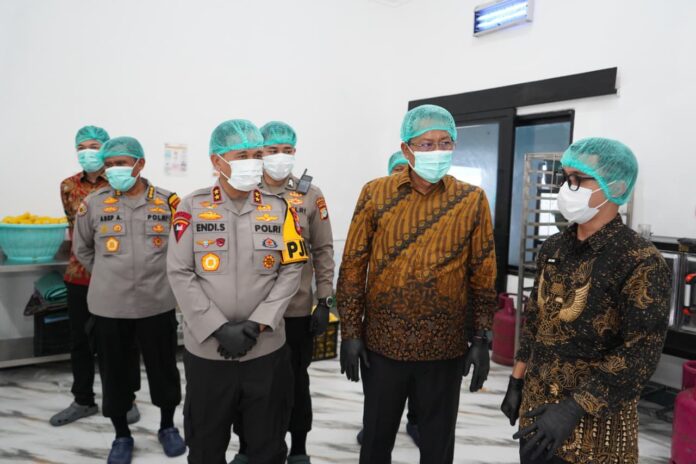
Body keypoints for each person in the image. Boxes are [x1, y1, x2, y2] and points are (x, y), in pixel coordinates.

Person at [337, 104, 498, 464]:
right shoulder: (375, 193)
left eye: (445, 143)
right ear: (406, 149)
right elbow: (353, 265)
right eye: (426, 144)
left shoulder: (471, 199)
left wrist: (481, 338)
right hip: (383, 345)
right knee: (375, 440)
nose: (436, 151)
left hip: (444, 348)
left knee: (437, 445)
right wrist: (350, 332)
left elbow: (483, 272)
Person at [502, 137, 672, 464]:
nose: (568, 188)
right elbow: (536, 318)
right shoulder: (553, 248)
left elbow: (640, 353)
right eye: (566, 178)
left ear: (615, 186)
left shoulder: (640, 260)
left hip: (594, 432)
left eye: (578, 179)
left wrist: (573, 408)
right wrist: (517, 379)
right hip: (537, 416)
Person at [167, 119, 308, 464]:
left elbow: (292, 268)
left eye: (257, 155)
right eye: (242, 155)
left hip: (265, 351)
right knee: (205, 446)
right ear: (217, 161)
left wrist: (258, 323)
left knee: (267, 446)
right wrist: (218, 327)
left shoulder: (280, 208)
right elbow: (180, 271)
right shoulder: (191, 207)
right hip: (209, 353)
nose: (253, 163)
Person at [73, 136, 185, 464]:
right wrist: (111, 276)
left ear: (140, 164)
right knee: (114, 375)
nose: (113, 170)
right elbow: (82, 249)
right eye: (109, 165)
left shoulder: (168, 202)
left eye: (121, 163)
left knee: (164, 371)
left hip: (157, 303)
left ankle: (167, 427)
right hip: (110, 307)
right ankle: (121, 435)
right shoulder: (93, 203)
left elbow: (182, 249)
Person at [229, 121, 335, 464]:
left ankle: (298, 447)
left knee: (295, 382)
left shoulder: (310, 195)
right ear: (260, 153)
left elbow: (323, 249)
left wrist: (325, 300)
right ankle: (247, 446)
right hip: (252, 311)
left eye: (287, 150)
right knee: (249, 383)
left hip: (295, 310)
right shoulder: (243, 190)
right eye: (272, 150)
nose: (279, 157)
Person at [52, 126, 140, 427]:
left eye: (94, 146)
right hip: (79, 275)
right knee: (80, 342)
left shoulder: (121, 182)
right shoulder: (68, 186)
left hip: (116, 278)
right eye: (81, 147)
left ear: (105, 148)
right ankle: (83, 399)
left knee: (120, 342)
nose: (87, 152)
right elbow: (75, 228)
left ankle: (126, 399)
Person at [355, 149, 420, 448]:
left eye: (407, 168)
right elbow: (356, 261)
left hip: (424, 320)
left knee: (420, 384)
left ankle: (415, 422)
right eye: (397, 170)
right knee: (380, 389)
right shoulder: (377, 203)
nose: (403, 175)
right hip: (383, 317)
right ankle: (374, 426)